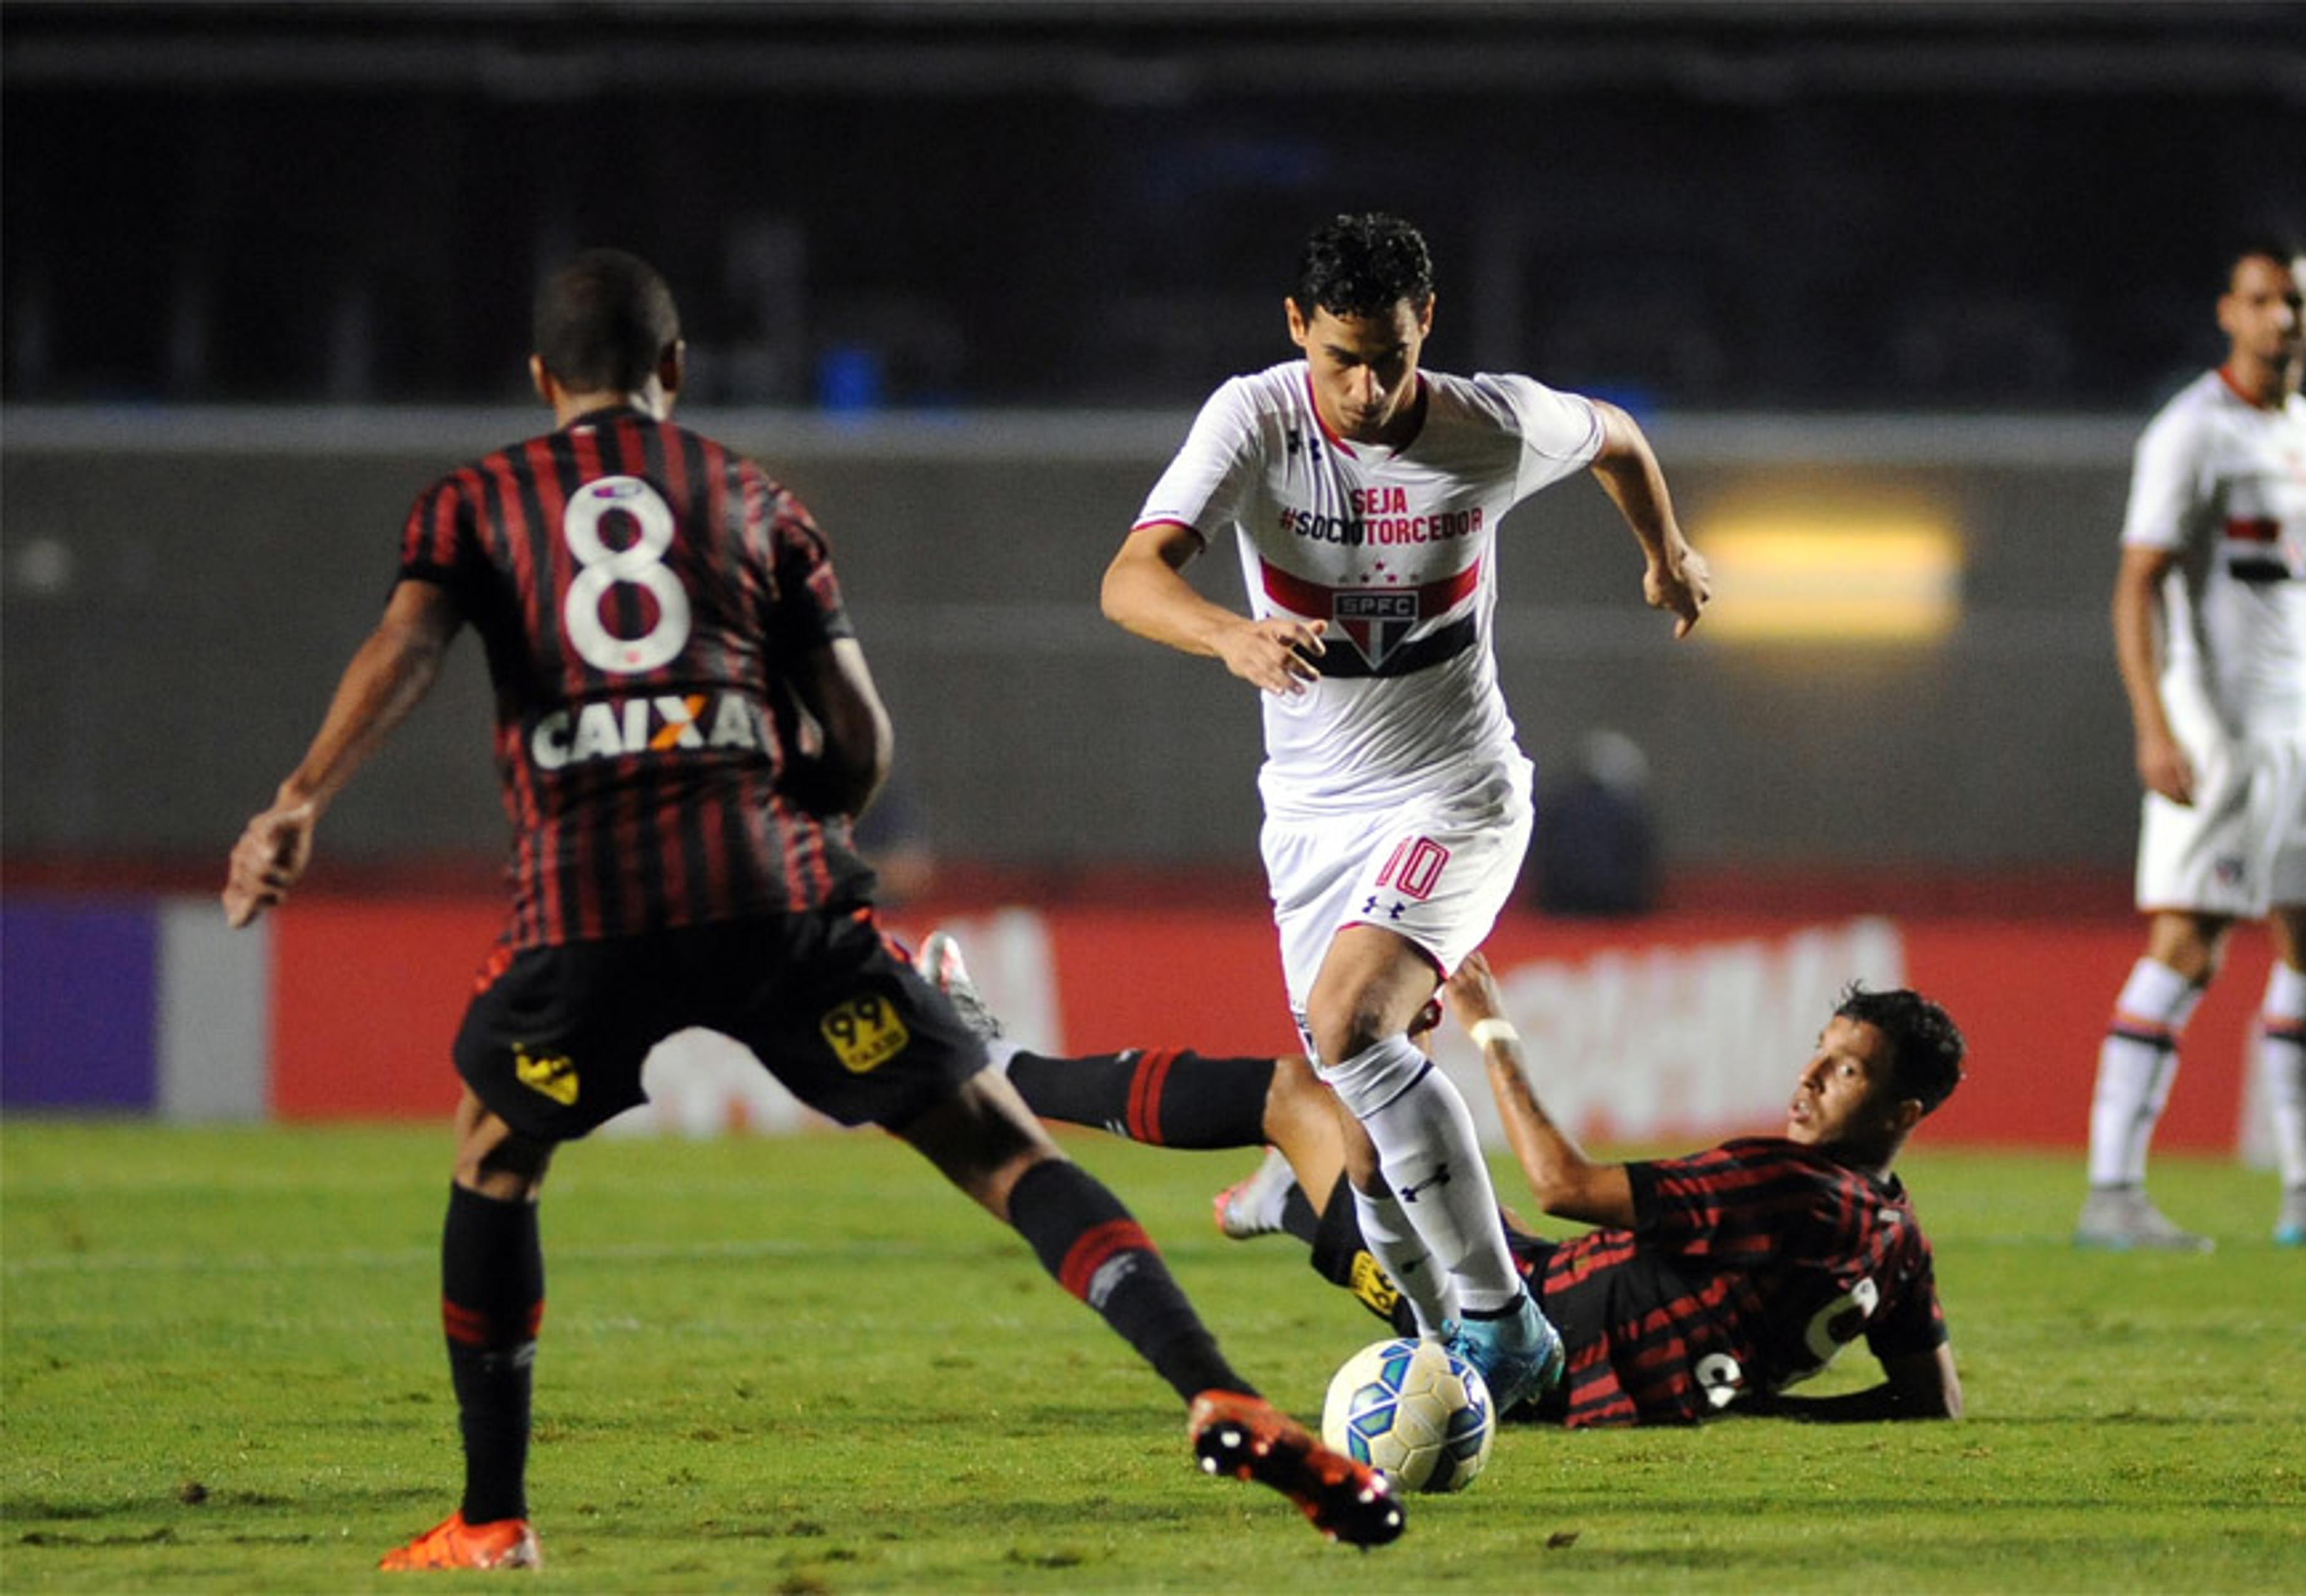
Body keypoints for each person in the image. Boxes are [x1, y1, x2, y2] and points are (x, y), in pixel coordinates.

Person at [220, 249, 1402, 1570]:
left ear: (544, 377)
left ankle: (492, 1515)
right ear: (674, 371)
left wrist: (299, 798)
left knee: (495, 1155)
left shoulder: (476, 502)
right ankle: (1217, 1385)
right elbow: (861, 742)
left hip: (588, 897)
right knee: (1008, 1154)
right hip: (771, 882)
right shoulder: (752, 498)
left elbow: (406, 648)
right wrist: (790, 812)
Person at [1099, 212, 1711, 1413]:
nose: (1369, 387)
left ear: (1426, 324)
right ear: (1296, 329)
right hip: (1313, 819)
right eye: (1342, 358)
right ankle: (1448, 1354)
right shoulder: (1256, 419)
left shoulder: (1491, 422)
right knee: (1365, 1136)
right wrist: (1233, 635)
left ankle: (1506, 1328)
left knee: (1347, 1025)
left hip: (1459, 792)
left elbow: (1621, 438)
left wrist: (1667, 554)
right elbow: (1130, 576)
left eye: (1390, 355)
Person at [925, 934, 1964, 1426]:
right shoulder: (1894, 1234)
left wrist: (1491, 1031)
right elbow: (1934, 1407)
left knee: (1299, 1094)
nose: (1810, 1076)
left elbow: (1565, 1180)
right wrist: (1764, 1411)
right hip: (1559, 1298)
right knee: (1427, 1180)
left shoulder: (1787, 1184)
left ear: (1901, 1111)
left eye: (1848, 1069)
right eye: (1820, 1052)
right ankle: (1293, 1204)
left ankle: (993, 1063)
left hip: (1532, 1342)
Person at [2075, 236, 2306, 1251]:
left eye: (2295, 301)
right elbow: (2138, 583)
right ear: (2230, 313)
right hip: (2219, 724)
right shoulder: (2190, 433)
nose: (2281, 320)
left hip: (2298, 729)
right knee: (2187, 943)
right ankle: (2113, 1191)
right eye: (2262, 301)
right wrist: (2157, 724)